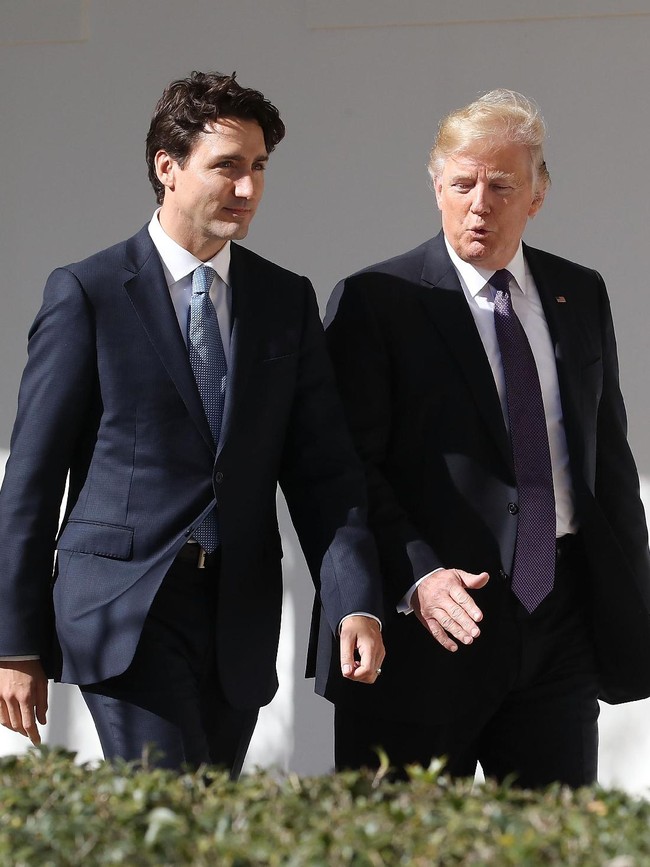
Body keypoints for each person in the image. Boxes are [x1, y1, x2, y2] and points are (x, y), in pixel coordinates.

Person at [0, 71, 384, 778]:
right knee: (173, 798)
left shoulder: (283, 300)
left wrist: (356, 598)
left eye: (259, 168)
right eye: (227, 167)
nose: (247, 189)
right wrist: (13, 641)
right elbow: (29, 478)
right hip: (126, 604)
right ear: (167, 168)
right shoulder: (87, 293)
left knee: (208, 820)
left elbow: (325, 470)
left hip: (238, 609)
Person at [316, 89, 650, 788]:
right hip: (429, 623)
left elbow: (606, 458)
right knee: (403, 842)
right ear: (436, 185)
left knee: (552, 842)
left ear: (538, 194)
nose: (479, 203)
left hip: (557, 619)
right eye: (463, 183)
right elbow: (347, 470)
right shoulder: (379, 300)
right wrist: (417, 577)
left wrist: (628, 602)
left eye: (501, 185)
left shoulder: (577, 292)